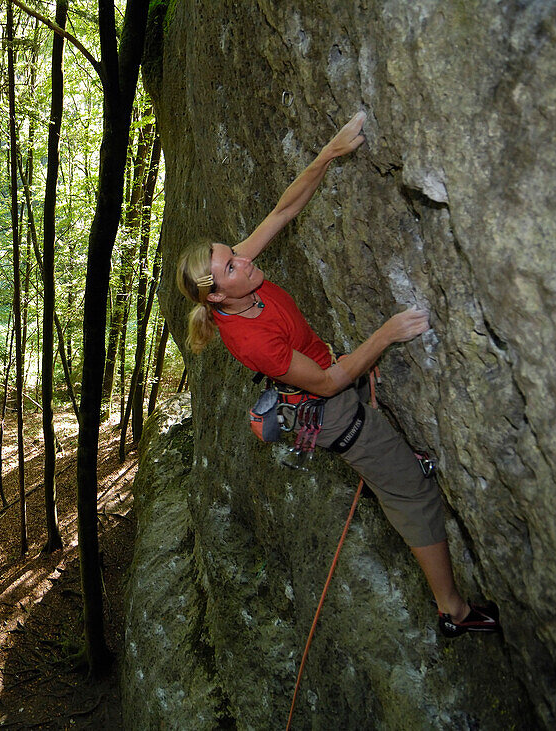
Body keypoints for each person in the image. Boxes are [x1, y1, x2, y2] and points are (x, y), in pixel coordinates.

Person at [175, 111, 499, 638]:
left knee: (380, 447)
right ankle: (454, 611)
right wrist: (388, 333)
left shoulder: (234, 281)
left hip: (323, 387)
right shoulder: (250, 338)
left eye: (232, 251)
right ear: (215, 294)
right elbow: (328, 382)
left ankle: (387, 468)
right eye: (231, 263)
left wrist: (328, 152)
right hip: (331, 410)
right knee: (413, 494)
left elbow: (282, 211)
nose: (242, 257)